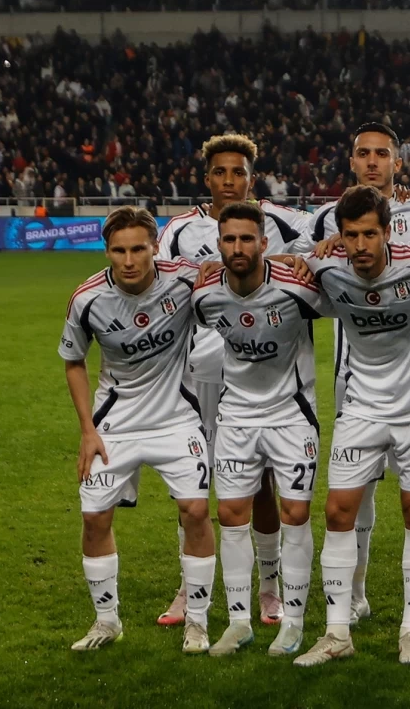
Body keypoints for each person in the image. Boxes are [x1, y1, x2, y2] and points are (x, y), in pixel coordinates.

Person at [292, 187, 410, 668]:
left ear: (387, 232)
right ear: (340, 236)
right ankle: (337, 632)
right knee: (338, 512)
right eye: (350, 235)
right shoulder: (326, 266)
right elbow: (270, 263)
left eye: (369, 235)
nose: (360, 246)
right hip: (360, 408)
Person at [152, 134, 313, 628]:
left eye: (238, 172)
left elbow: (324, 253)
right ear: (206, 178)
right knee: (193, 481)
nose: (229, 181)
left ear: (251, 177)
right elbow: (160, 282)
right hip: (199, 370)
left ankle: (269, 587)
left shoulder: (283, 222)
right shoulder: (180, 229)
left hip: (265, 376)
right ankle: (189, 586)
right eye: (220, 172)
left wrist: (288, 259)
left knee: (262, 483)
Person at [305, 123, 410, 627]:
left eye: (381, 153)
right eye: (363, 153)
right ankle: (356, 593)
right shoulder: (325, 218)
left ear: (398, 161)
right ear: (351, 161)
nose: (372, 161)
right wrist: (325, 246)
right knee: (356, 493)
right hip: (354, 377)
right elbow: (295, 264)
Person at [60, 207, 215, 654]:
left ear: (155, 246)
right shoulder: (87, 298)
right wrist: (88, 431)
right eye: (118, 251)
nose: (129, 261)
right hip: (115, 424)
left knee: (196, 511)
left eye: (138, 249)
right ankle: (106, 621)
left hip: (177, 419)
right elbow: (74, 361)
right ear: (107, 251)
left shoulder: (185, 280)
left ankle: (198, 622)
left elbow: (240, 268)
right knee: (94, 517)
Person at [192, 201, 329, 658]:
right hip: (236, 416)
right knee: (231, 515)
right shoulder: (205, 292)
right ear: (218, 244)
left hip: (292, 415)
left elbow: (351, 297)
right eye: (229, 239)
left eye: (246, 239)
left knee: (295, 516)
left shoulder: (297, 287)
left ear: (263, 243)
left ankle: (293, 623)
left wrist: (306, 259)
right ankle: (238, 623)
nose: (237, 247)